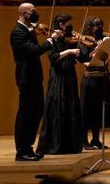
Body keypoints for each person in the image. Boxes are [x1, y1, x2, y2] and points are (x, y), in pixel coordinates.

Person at [10, 3, 63, 161]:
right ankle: (21, 151)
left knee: (37, 111)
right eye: (33, 11)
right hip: (26, 78)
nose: (36, 13)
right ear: (24, 13)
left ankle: (29, 147)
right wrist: (50, 40)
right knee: (26, 114)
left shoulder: (27, 30)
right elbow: (33, 51)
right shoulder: (17, 32)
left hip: (34, 77)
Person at [38, 14, 89, 155]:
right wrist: (69, 51)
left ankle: (70, 145)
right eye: (68, 23)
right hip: (58, 78)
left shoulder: (71, 38)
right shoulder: (53, 39)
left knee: (70, 109)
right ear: (61, 24)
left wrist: (81, 43)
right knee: (57, 110)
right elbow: (53, 58)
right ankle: (54, 145)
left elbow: (83, 56)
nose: (70, 26)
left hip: (70, 78)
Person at [79, 17, 110, 150]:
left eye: (101, 24)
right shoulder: (84, 41)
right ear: (90, 26)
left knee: (100, 110)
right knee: (87, 110)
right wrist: (96, 50)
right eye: (96, 25)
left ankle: (96, 139)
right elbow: (82, 57)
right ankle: (83, 140)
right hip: (90, 78)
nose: (99, 27)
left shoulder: (104, 40)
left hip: (103, 77)